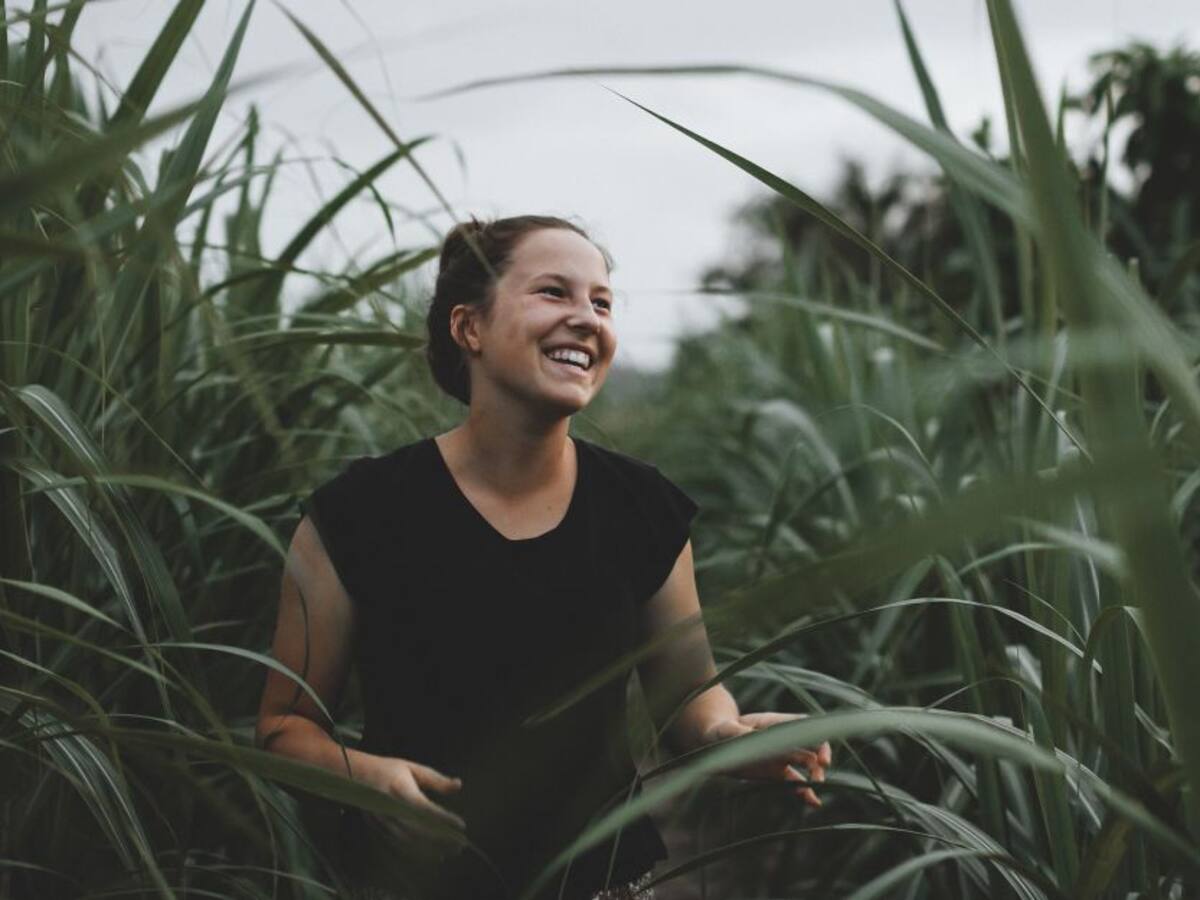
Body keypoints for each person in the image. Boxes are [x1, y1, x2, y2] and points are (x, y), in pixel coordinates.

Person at [255, 214, 833, 900]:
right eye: (554, 293)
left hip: (608, 884)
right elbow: (284, 728)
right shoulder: (358, 513)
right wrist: (365, 778)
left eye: (602, 302)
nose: (587, 319)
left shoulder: (641, 509)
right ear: (469, 328)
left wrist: (728, 733)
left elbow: (688, 700)